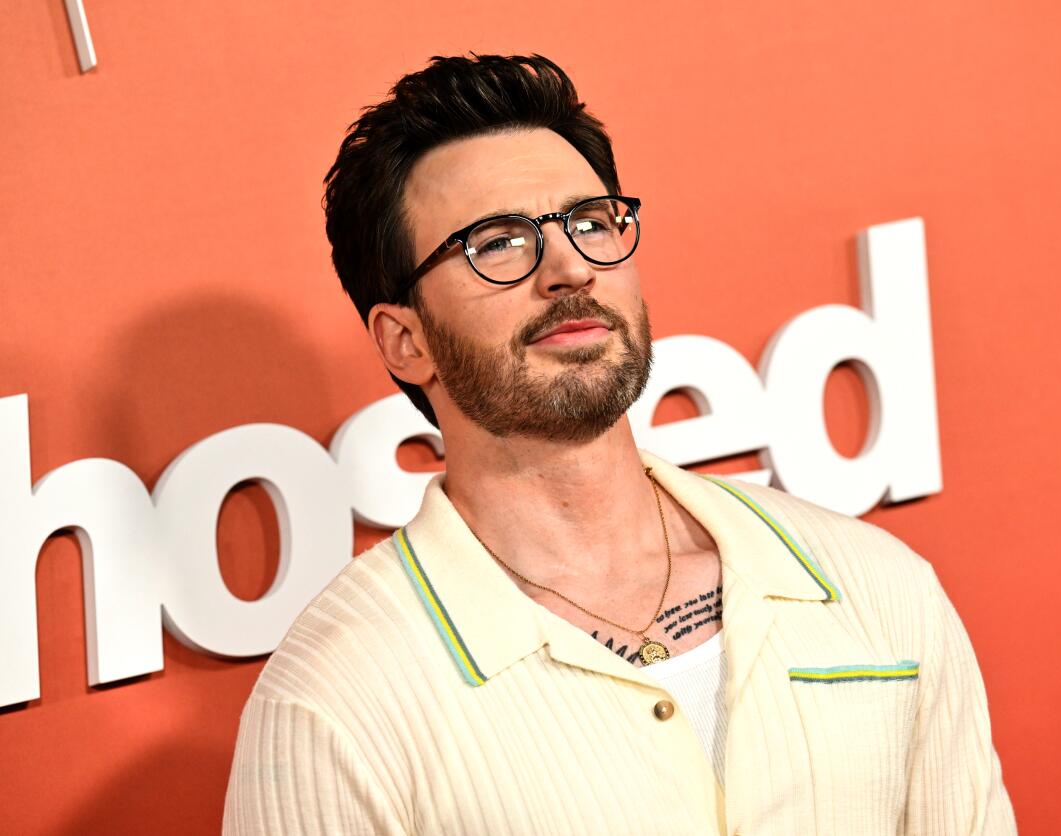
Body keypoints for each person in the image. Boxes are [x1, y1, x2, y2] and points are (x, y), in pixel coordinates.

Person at [222, 54, 1018, 835]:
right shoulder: (331, 707)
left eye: (592, 223)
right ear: (404, 341)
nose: (570, 268)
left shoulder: (878, 590)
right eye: (496, 242)